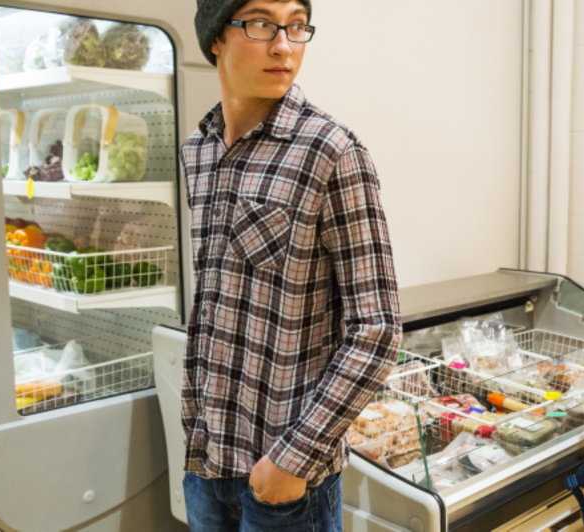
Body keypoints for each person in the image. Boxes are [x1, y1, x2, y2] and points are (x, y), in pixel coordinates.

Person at [180, 0, 402, 530]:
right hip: (206, 458)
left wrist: (291, 461)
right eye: (261, 24)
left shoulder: (330, 150)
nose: (284, 44)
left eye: (297, 26)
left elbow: (378, 328)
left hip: (284, 479)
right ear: (215, 37)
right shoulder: (198, 151)